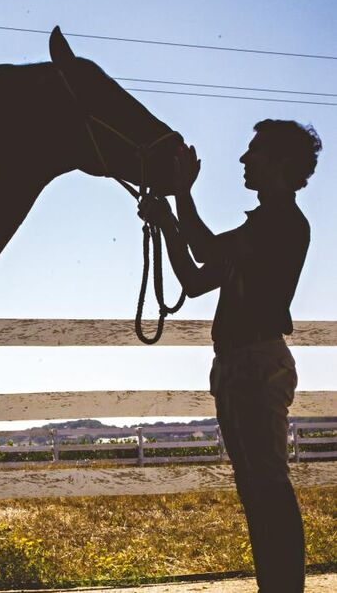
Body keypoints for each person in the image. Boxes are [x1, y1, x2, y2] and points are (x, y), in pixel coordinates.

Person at [138, 119, 321, 593]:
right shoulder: (266, 225)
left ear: (279, 163)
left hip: (254, 365)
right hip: (243, 365)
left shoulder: (280, 223)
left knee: (268, 490)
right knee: (258, 490)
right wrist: (167, 221)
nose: (244, 160)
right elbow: (196, 280)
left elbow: (203, 250)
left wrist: (180, 196)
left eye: (254, 152)